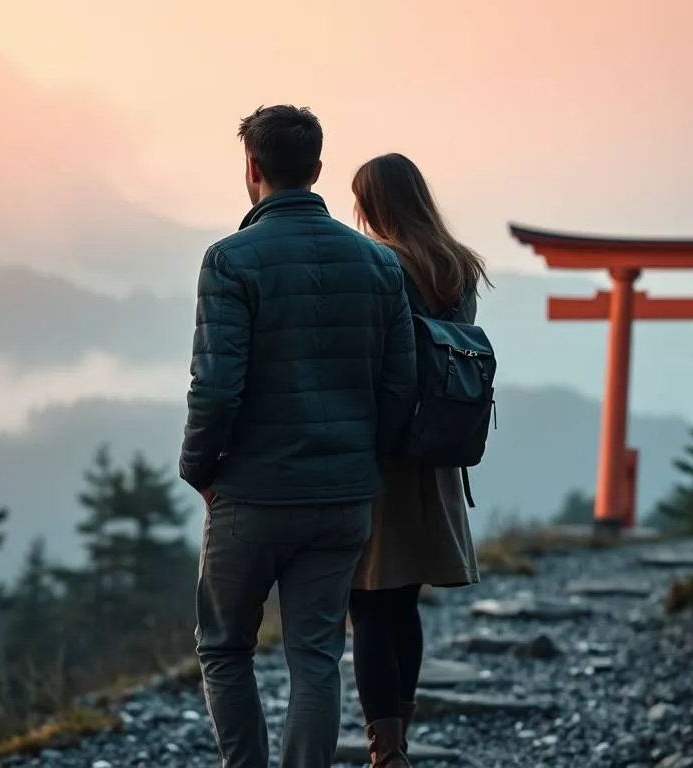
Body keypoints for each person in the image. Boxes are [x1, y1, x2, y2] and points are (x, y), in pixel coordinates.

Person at [180, 106, 418, 768]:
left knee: (225, 646)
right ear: (316, 171)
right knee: (314, 654)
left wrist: (198, 468)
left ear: (251, 169)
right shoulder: (377, 263)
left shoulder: (229, 260)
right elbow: (400, 386)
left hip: (251, 493)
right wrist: (365, 459)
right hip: (344, 496)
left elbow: (216, 387)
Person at [346, 153, 493, 768]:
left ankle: (387, 753)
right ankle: (396, 739)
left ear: (373, 204)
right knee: (402, 605)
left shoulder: (381, 265)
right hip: (437, 456)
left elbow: (370, 361)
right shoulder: (459, 265)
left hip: (384, 456)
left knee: (368, 603)